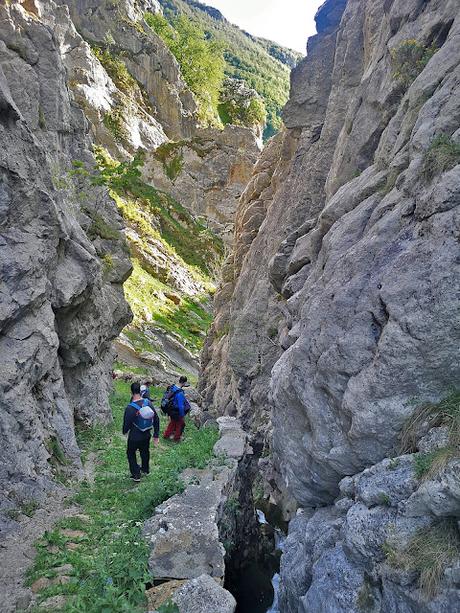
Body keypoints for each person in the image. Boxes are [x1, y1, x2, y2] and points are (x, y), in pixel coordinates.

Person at [123, 382, 159, 482]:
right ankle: (145, 469)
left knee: (131, 453)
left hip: (134, 436)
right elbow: (156, 418)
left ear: (131, 392)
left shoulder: (130, 407)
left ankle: (136, 474)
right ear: (140, 390)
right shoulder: (148, 402)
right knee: (145, 451)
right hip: (147, 434)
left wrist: (124, 431)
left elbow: (126, 425)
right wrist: (156, 435)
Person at [163, 376, 190, 443]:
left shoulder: (173, 387)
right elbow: (181, 406)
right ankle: (177, 438)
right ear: (184, 382)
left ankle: (166, 435)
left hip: (170, 409)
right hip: (176, 411)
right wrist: (182, 415)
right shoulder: (180, 393)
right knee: (180, 424)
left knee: (172, 423)